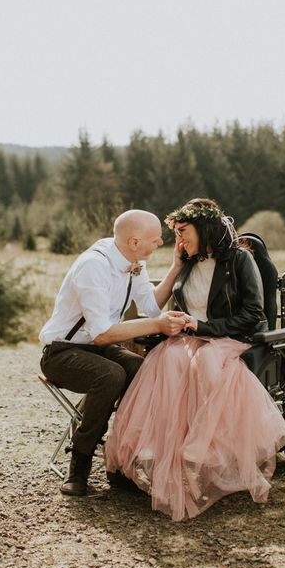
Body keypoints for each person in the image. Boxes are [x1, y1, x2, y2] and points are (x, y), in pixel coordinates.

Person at [104, 198, 285, 521]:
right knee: (167, 362)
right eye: (176, 232)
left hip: (230, 339)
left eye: (183, 231)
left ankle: (203, 453)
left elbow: (252, 314)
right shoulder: (186, 262)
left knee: (204, 363)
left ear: (204, 229)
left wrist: (203, 327)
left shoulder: (240, 261)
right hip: (190, 338)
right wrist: (177, 273)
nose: (178, 240)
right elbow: (170, 305)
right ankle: (161, 456)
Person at [39, 209, 188, 496]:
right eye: (155, 239)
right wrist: (157, 325)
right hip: (61, 353)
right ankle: (78, 467)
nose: (160, 243)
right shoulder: (93, 266)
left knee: (142, 368)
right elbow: (102, 333)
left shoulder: (134, 261)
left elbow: (152, 305)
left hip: (96, 349)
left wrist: (176, 268)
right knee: (110, 375)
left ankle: (121, 464)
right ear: (134, 242)